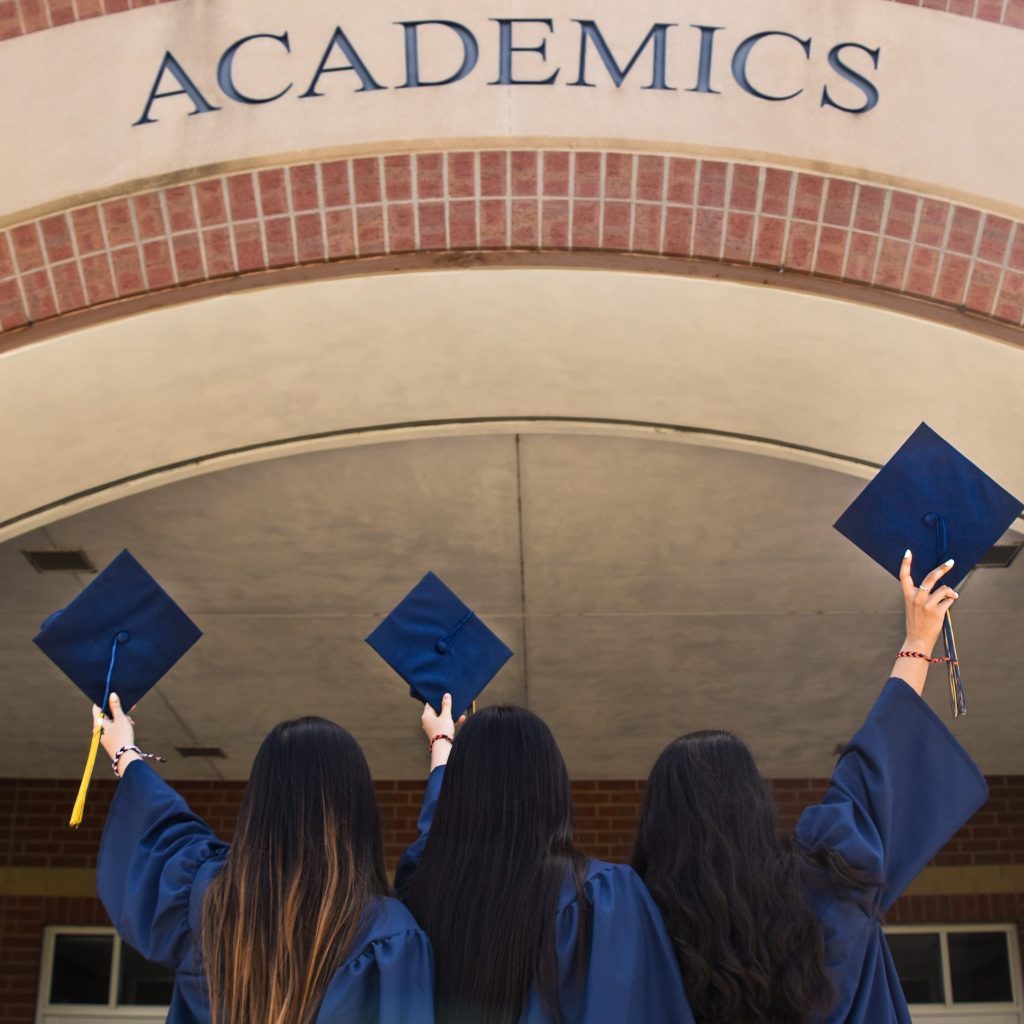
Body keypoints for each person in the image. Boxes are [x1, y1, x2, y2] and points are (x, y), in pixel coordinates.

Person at [632, 552, 989, 1024]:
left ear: (658, 822)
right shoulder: (827, 880)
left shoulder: (632, 925)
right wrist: (919, 637)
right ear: (754, 804)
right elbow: (877, 765)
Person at [94, 698, 435, 1024]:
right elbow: (437, 854)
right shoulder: (385, 932)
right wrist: (442, 749)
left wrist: (125, 752)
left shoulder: (207, 900)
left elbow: (162, 828)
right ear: (358, 809)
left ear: (259, 802)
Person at [396, 699, 695, 1024]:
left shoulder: (423, 893)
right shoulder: (600, 897)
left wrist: (442, 750)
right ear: (551, 785)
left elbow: (430, 844)